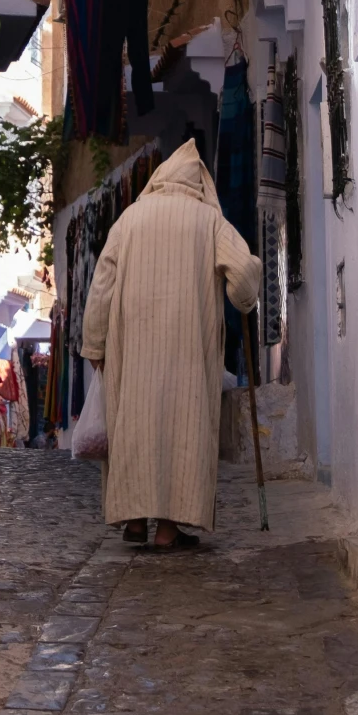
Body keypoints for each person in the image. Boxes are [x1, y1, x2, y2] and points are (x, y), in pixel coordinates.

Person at [79, 139, 263, 549]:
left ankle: (133, 520)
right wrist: (244, 297)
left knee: (135, 428)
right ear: (200, 184)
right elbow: (245, 277)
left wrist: (95, 347)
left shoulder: (128, 219)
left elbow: (101, 288)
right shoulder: (209, 221)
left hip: (134, 349)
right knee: (182, 430)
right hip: (187, 353)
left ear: (160, 180)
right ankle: (167, 529)